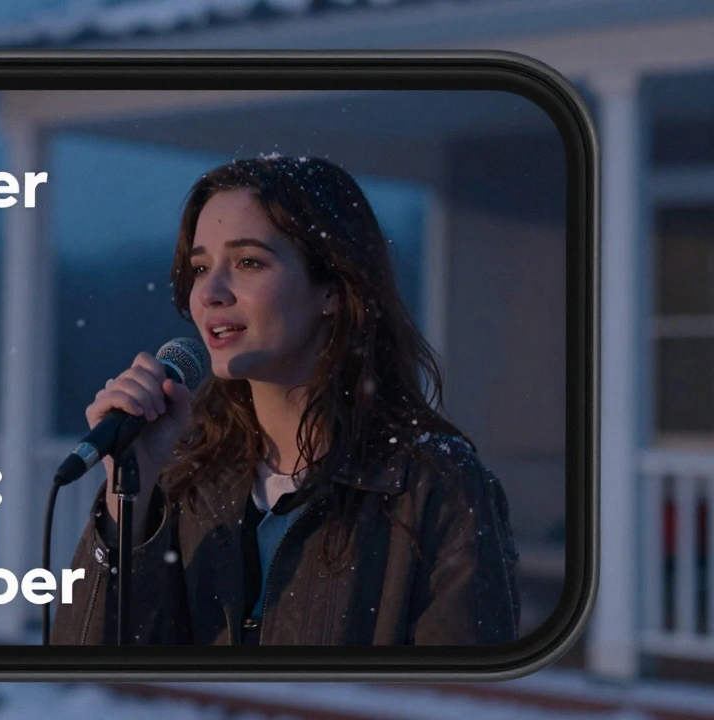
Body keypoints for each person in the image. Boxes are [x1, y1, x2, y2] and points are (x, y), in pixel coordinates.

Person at [51, 156, 520, 646]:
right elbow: (82, 672)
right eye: (200, 268)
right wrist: (129, 502)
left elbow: (463, 683)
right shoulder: (183, 480)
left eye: (248, 262)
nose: (210, 292)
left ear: (333, 289)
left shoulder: (435, 485)